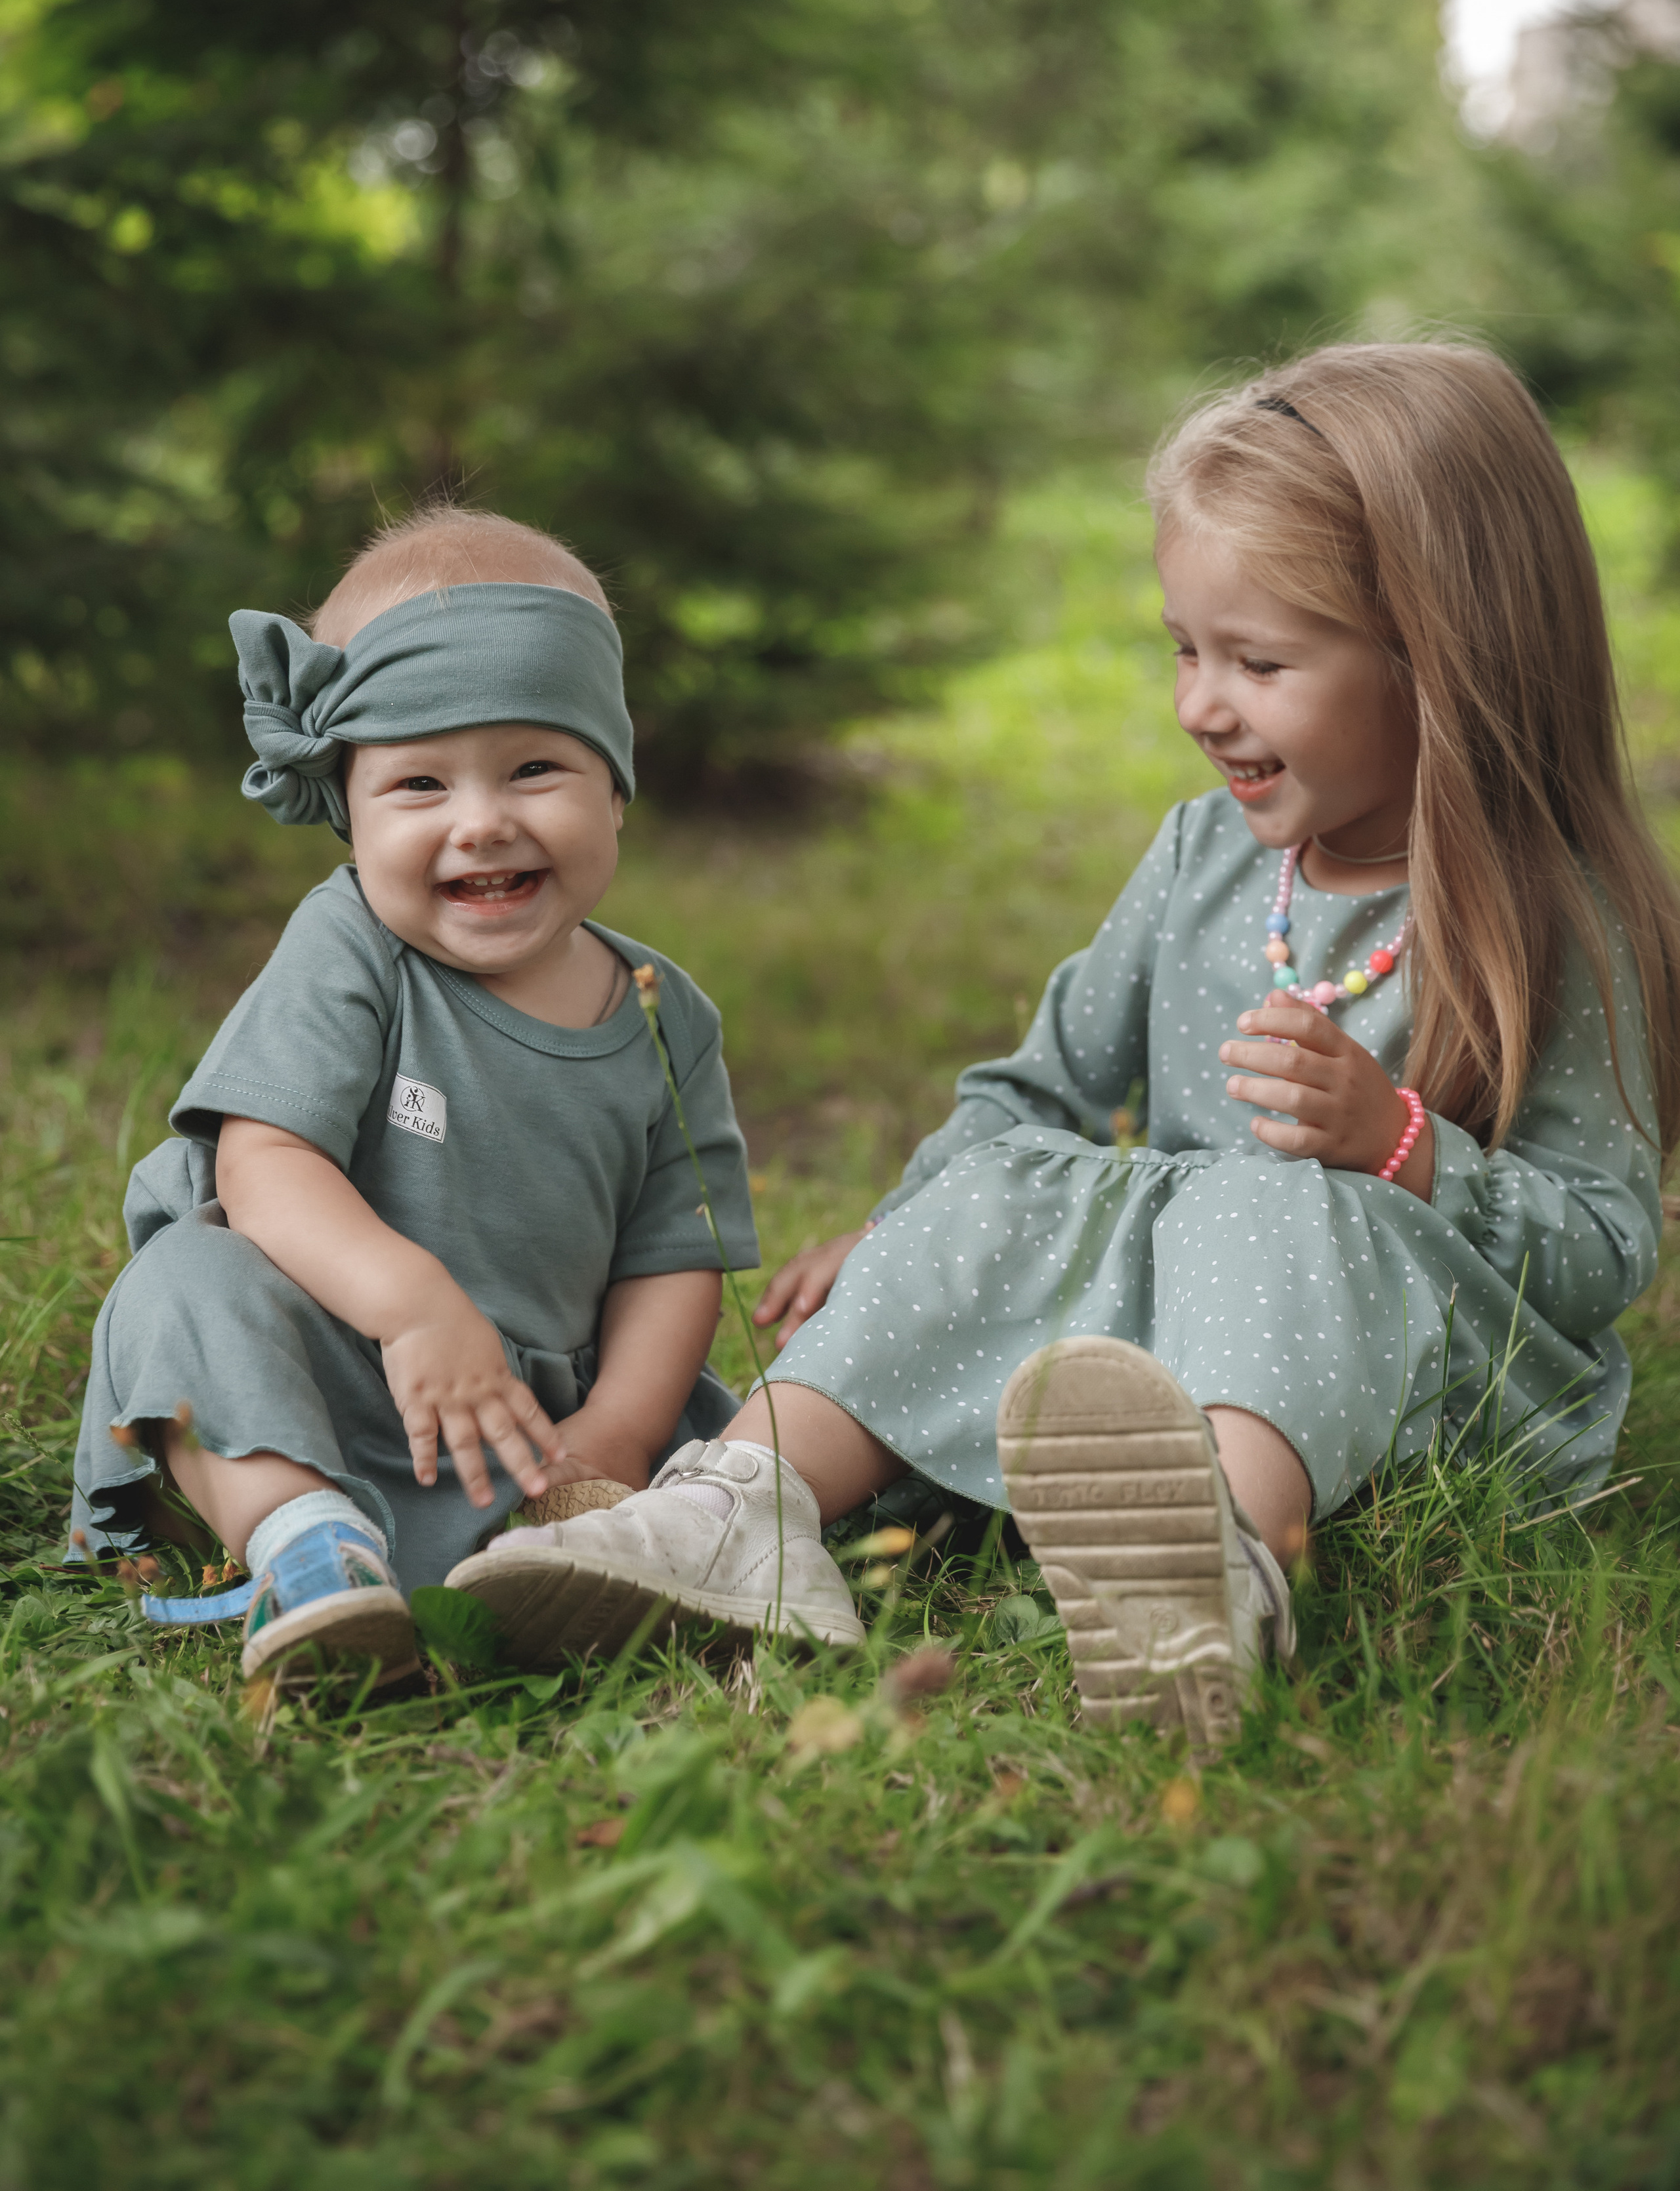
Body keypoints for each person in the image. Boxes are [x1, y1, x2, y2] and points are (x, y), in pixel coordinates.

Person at [452, 343, 1680, 1744]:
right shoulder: (1200, 858)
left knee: (1281, 1210)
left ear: (1440, 658)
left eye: (1257, 661)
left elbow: (1596, 1255)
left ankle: (1210, 1574)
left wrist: (1400, 1148)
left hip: (1421, 1357)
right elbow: (1036, 1090)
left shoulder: (1554, 920)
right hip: (1175, 1332)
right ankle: (740, 1509)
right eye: (1183, 648)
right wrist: (917, 1228)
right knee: (1000, 1181)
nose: (1198, 705)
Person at [74, 506, 761, 1684]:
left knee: (748, 1439)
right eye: (419, 783)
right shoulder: (351, 947)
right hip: (318, 1363)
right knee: (183, 1282)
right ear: (348, 805)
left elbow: (673, 1256)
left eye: (536, 768)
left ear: (616, 783)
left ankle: (564, 1555)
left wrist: (611, 1438)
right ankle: (307, 1543)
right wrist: (409, 1305)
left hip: (527, 1419)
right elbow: (263, 1164)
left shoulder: (661, 1008)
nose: (481, 820)